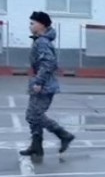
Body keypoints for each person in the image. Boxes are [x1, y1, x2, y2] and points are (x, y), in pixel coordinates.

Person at [19, 11, 74, 158]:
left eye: (32, 23)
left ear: (41, 25)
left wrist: (39, 81)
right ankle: (36, 146)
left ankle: (63, 134)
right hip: (40, 84)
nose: (30, 26)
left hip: (44, 85)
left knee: (35, 115)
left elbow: (48, 63)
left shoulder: (42, 42)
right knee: (32, 115)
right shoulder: (40, 40)